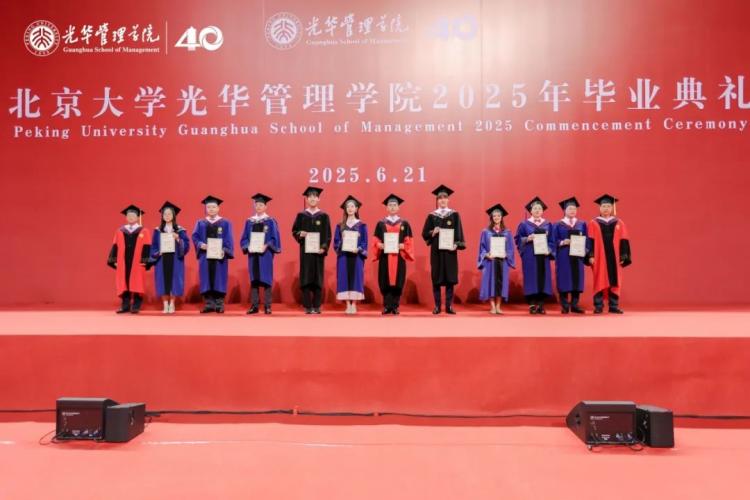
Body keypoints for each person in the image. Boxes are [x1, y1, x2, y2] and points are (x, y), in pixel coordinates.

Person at [421, 185, 465, 314]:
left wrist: (457, 244)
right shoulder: (432, 216)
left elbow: (458, 232)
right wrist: (432, 232)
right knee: (436, 278)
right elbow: (424, 233)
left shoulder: (454, 215)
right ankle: (437, 306)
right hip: (436, 251)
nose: (442, 200)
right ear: (437, 200)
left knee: (450, 278)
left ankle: (449, 306)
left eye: (445, 197)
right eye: (440, 198)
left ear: (448, 199)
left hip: (450, 251)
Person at [588, 194, 632, 314]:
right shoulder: (593, 223)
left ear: (612, 208)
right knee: (599, 279)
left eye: (608, 206)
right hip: (599, 257)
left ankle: (613, 305)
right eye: (604, 206)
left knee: (615, 280)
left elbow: (624, 240)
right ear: (599, 208)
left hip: (615, 258)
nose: (606, 208)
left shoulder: (619, 223)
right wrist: (590, 255)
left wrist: (624, 257)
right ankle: (598, 306)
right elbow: (590, 241)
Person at [291, 186, 332, 314]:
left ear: (319, 199)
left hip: (319, 252)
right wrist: (300, 234)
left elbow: (327, 235)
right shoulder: (301, 215)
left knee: (318, 278)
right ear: (307, 199)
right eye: (310, 197)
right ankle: (307, 306)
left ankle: (317, 305)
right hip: (306, 251)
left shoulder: (324, 216)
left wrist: (324, 247)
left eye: (315, 197)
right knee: (306, 277)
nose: (312, 199)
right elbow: (294, 231)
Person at [372, 194, 414, 315]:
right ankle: (387, 305)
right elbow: (376, 240)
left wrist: (404, 246)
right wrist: (378, 245)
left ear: (398, 207)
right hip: (385, 257)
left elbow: (409, 241)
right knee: (385, 280)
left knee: (398, 280)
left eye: (394, 205)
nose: (392, 207)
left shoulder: (404, 224)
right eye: (390, 205)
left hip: (399, 257)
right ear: (386, 208)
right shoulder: (381, 224)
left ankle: (395, 306)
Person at [240, 193, 281, 314]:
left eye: (261, 205)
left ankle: (268, 305)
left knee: (266, 278)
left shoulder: (270, 221)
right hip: (253, 254)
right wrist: (248, 246)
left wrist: (266, 245)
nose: (258, 207)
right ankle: (254, 305)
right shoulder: (249, 221)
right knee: (254, 279)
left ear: (265, 207)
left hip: (265, 254)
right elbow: (244, 238)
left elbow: (274, 238)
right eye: (256, 205)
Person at [192, 195, 234, 313]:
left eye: (213, 207)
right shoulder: (200, 223)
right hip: (205, 256)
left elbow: (229, 239)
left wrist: (224, 250)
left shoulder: (225, 223)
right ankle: (209, 304)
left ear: (218, 208)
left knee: (219, 278)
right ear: (206, 208)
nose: (211, 209)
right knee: (206, 278)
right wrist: (200, 244)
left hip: (220, 256)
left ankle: (219, 304)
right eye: (208, 207)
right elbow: (195, 237)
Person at [107, 205, 152, 314]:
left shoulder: (143, 231)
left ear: (138, 217)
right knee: (124, 282)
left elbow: (147, 247)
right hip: (123, 262)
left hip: (138, 262)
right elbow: (115, 246)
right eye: (129, 215)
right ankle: (125, 305)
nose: (131, 217)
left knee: (137, 282)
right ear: (126, 217)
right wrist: (114, 260)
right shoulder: (120, 231)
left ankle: (136, 305)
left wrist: (145, 261)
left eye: (133, 215)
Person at [515, 197, 555, 314]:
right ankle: (532, 304)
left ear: (542, 211)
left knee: (543, 278)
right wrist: (527, 238)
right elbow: (518, 239)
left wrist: (549, 250)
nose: (537, 210)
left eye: (539, 208)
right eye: (535, 208)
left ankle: (541, 304)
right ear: (530, 211)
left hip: (543, 255)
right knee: (531, 278)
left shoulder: (548, 224)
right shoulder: (524, 224)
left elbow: (552, 240)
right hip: (530, 255)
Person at [150, 201, 190, 314]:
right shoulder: (157, 230)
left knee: (174, 280)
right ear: (162, 216)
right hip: (162, 259)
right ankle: (165, 304)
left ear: (174, 215)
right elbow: (153, 246)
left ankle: (172, 303)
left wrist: (178, 239)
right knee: (162, 280)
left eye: (169, 214)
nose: (167, 216)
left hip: (175, 259)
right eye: (165, 214)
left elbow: (187, 246)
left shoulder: (180, 230)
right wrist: (158, 252)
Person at [477, 204, 515, 315]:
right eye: (494, 216)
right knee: (490, 282)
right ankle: (492, 306)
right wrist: (486, 255)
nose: (496, 217)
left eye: (498, 215)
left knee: (501, 283)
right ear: (491, 218)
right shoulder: (486, 232)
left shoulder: (507, 232)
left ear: (502, 217)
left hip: (502, 261)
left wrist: (507, 254)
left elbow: (510, 248)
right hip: (491, 261)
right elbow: (482, 247)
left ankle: (498, 306)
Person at [333, 195, 368, 314]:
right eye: (348, 207)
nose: (350, 208)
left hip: (356, 256)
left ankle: (354, 304)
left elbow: (364, 242)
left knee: (356, 278)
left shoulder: (362, 225)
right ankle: (348, 304)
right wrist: (342, 242)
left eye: (352, 206)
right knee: (344, 278)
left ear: (356, 209)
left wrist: (359, 249)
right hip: (344, 256)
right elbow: (336, 242)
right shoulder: (340, 226)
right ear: (345, 209)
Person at [552, 197, 588, 314]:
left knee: (577, 279)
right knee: (564, 278)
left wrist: (586, 251)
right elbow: (553, 240)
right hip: (564, 255)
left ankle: (574, 305)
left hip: (577, 255)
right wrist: (562, 242)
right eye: (570, 208)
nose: (572, 211)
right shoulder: (558, 224)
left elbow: (587, 240)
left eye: (574, 209)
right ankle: (564, 305)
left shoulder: (581, 224)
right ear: (564, 210)